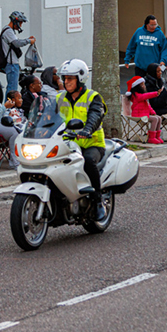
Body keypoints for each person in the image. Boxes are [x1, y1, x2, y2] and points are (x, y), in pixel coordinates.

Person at [55, 59, 108, 221]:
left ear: (80, 78)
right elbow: (48, 116)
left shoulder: (93, 97)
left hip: (92, 144)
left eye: (70, 78)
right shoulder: (59, 98)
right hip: (68, 144)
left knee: (88, 161)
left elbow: (96, 115)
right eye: (65, 78)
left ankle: (98, 200)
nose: (66, 82)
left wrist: (87, 130)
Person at [0, 11, 36, 94]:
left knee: (12, 88)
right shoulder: (8, 31)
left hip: (12, 64)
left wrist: (27, 39)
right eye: (20, 23)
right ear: (15, 21)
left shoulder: (9, 30)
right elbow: (17, 43)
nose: (21, 25)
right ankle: (10, 102)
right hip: (11, 64)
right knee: (12, 89)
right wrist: (29, 41)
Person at [126, 76, 164, 144]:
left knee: (159, 118)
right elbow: (146, 96)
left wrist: (153, 112)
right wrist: (156, 93)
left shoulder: (141, 96)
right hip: (138, 115)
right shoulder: (136, 96)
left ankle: (157, 136)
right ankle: (151, 137)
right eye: (142, 85)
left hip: (144, 114)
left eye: (144, 84)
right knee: (155, 119)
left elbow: (148, 106)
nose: (144, 86)